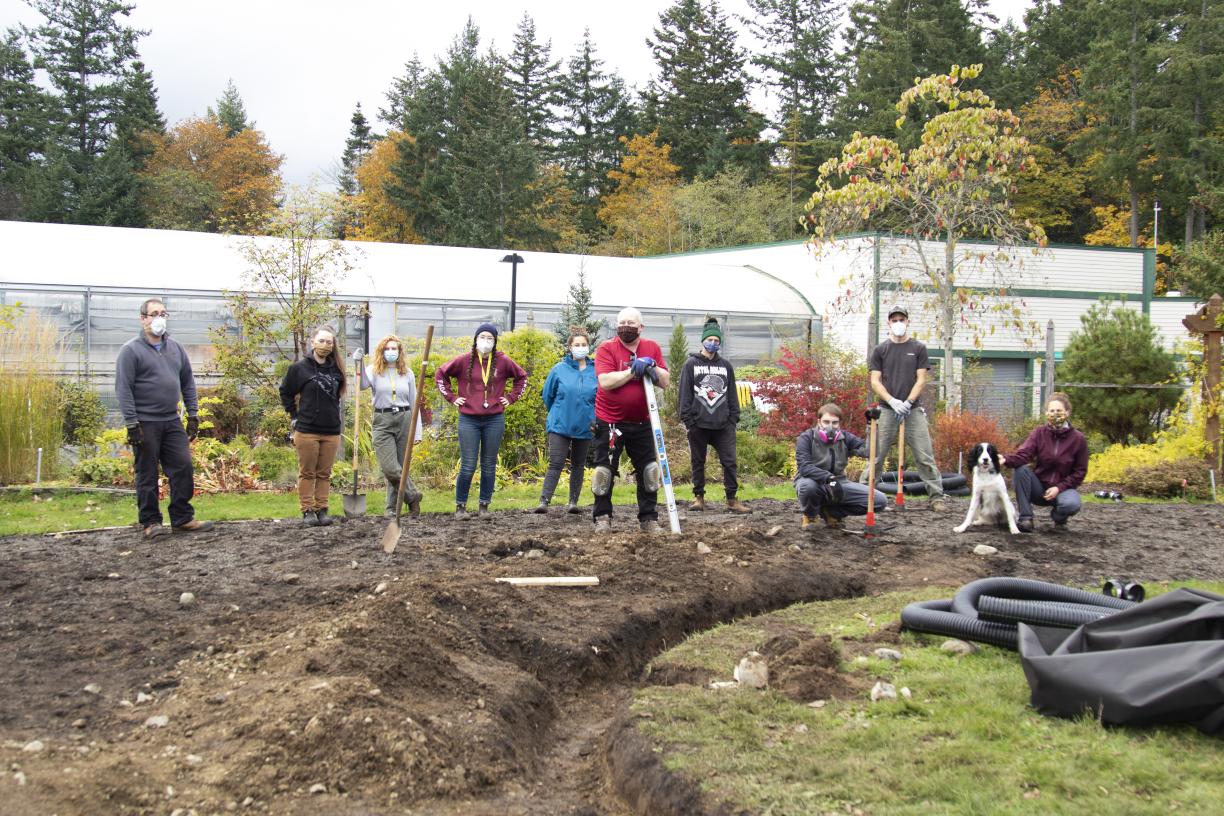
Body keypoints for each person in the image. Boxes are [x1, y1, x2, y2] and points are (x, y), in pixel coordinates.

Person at [115, 298, 215, 538]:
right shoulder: (131, 351)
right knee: (147, 472)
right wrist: (131, 423)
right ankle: (150, 521)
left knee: (183, 467)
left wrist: (193, 414)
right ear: (143, 319)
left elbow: (187, 382)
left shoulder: (176, 348)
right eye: (153, 314)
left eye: (163, 313)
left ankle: (182, 518)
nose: (159, 318)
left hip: (171, 421)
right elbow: (123, 389)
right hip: (144, 422)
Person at [591, 307, 671, 532]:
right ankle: (602, 517)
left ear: (641, 327)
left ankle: (649, 519)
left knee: (649, 470)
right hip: (610, 422)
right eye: (622, 322)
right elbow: (605, 381)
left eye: (631, 322)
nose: (626, 326)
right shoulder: (607, 348)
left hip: (643, 422)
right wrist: (633, 371)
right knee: (604, 472)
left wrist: (652, 365)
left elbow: (665, 381)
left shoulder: (651, 348)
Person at [860, 304, 947, 511]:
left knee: (924, 454)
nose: (898, 323)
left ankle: (936, 497)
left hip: (913, 409)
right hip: (887, 409)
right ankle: (864, 493)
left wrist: (907, 403)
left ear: (907, 322)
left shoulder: (918, 348)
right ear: (889, 323)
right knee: (877, 454)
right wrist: (892, 401)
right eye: (894, 320)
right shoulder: (881, 350)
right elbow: (875, 381)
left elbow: (921, 380)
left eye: (902, 319)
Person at [435, 323, 527, 518]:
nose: (486, 341)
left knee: (488, 464)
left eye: (490, 338)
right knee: (468, 464)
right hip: (469, 419)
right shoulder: (464, 360)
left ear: (495, 341)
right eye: (483, 337)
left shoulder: (502, 361)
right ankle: (460, 507)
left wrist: (510, 397)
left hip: (494, 419)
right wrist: (452, 397)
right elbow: (440, 375)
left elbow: (522, 377)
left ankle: (484, 506)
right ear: (476, 339)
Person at [678, 317, 751, 514]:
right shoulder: (691, 364)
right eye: (710, 340)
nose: (713, 343)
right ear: (703, 340)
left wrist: (733, 418)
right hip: (698, 424)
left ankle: (732, 500)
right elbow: (684, 394)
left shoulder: (726, 366)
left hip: (723, 425)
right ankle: (698, 498)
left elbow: (731, 395)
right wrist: (688, 420)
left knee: (730, 462)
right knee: (697, 461)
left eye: (717, 341)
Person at [280, 326, 346, 527]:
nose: (325, 345)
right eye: (322, 341)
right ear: (313, 342)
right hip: (307, 429)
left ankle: (322, 509)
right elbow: (285, 392)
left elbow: (336, 397)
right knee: (308, 471)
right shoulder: (300, 369)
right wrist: (294, 415)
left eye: (329, 342)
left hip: (331, 431)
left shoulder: (336, 370)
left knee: (324, 473)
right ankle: (307, 510)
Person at [534, 328, 598, 514]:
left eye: (583, 345)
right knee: (556, 462)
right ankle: (544, 501)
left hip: (585, 425)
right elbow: (548, 395)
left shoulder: (596, 371)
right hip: (560, 424)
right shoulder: (559, 369)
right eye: (576, 345)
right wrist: (558, 412)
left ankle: (573, 502)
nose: (580, 348)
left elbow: (599, 397)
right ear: (570, 347)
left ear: (588, 346)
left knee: (578, 464)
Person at [360, 334, 425, 518]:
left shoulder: (408, 373)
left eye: (394, 349)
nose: (390, 352)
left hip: (404, 418)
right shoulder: (374, 370)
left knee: (400, 466)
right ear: (381, 351)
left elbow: (414, 403)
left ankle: (391, 509)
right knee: (390, 467)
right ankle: (412, 496)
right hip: (383, 419)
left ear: (399, 351)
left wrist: (417, 432)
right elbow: (362, 385)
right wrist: (358, 364)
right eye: (387, 349)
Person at [1003, 392, 1088, 532]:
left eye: (1059, 411)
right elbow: (1024, 455)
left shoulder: (1078, 439)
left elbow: (1080, 472)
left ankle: (1059, 519)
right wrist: (1005, 459)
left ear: (1067, 412)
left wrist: (1059, 488)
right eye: (1052, 411)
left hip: (1063, 490)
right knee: (1020, 470)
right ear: (1046, 413)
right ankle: (1026, 518)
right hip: (1039, 487)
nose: (1055, 414)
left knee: (1071, 504)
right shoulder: (1039, 433)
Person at [796, 404, 888, 529]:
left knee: (879, 500)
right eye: (826, 422)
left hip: (839, 481)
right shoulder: (806, 437)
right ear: (819, 421)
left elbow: (870, 452)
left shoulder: (846, 438)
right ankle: (810, 516)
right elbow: (804, 467)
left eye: (834, 423)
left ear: (839, 424)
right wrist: (830, 479)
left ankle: (832, 513)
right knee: (808, 487)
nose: (830, 426)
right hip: (813, 480)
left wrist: (872, 427)